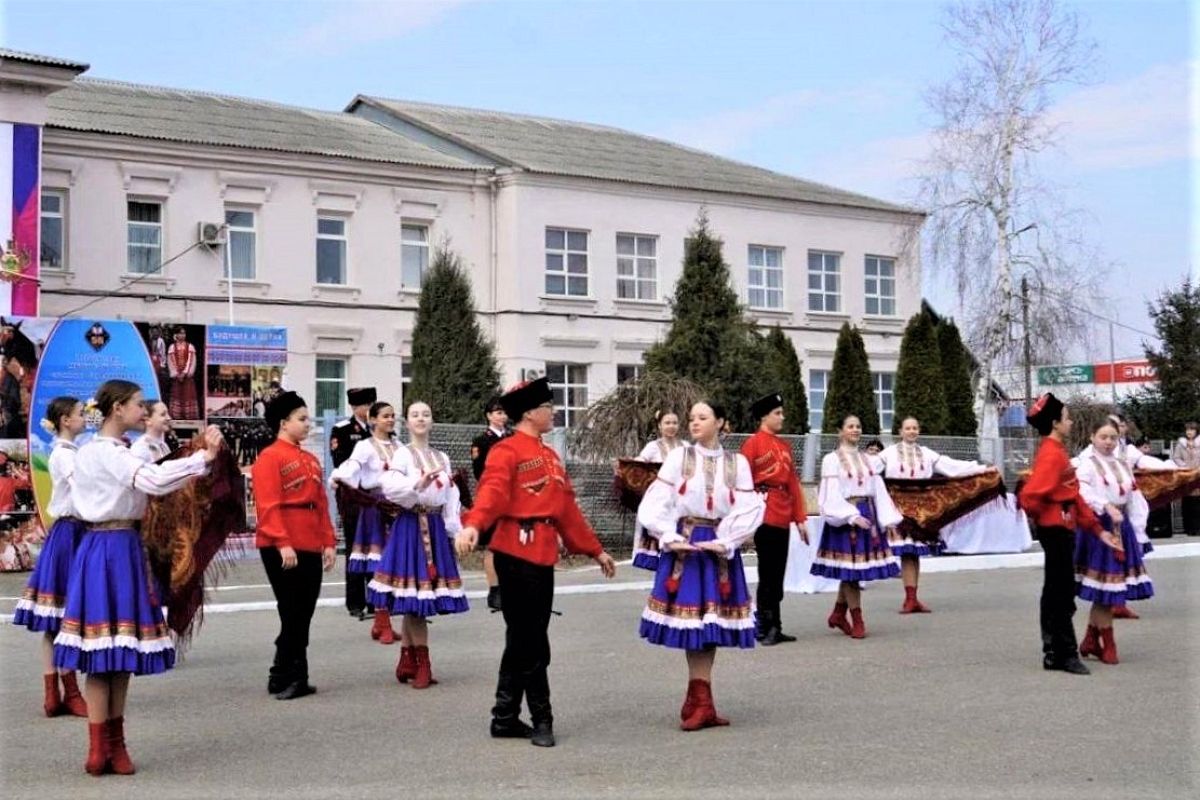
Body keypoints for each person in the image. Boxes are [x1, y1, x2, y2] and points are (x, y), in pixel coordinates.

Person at [53, 379, 222, 775]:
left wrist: (196, 458)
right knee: (103, 652)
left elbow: (152, 473)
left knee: (118, 650)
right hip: (109, 547)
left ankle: (112, 743)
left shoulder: (113, 451)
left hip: (118, 547)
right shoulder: (104, 452)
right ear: (117, 410)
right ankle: (102, 746)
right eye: (135, 405)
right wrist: (202, 459)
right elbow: (152, 480)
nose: (142, 412)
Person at [455, 377, 617, 748]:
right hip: (515, 554)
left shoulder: (549, 456)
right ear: (530, 413)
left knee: (522, 638)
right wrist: (473, 526)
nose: (554, 411)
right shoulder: (506, 451)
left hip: (542, 555)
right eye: (548, 405)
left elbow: (567, 512)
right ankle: (542, 718)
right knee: (532, 641)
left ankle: (505, 716)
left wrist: (596, 549)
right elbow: (492, 494)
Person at [639, 401, 763, 729]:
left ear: (721, 422)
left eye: (702, 417)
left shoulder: (738, 463)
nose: (694, 423)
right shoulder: (680, 456)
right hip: (688, 545)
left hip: (718, 548)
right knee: (694, 625)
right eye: (691, 418)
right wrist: (667, 534)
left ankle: (700, 699)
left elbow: (750, 507)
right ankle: (698, 699)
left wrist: (728, 539)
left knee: (710, 627)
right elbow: (657, 499)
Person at [367, 401, 468, 688]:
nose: (421, 419)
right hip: (411, 526)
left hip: (434, 528)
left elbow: (451, 497)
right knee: (416, 600)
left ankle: (406, 660)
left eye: (425, 414)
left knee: (415, 599)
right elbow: (390, 488)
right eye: (415, 415)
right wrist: (417, 485)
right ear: (407, 422)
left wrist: (455, 531)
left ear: (432, 421)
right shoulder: (402, 455)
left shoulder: (442, 457)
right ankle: (423, 664)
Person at [253, 391, 337, 701]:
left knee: (303, 612)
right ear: (283, 422)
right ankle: (295, 676)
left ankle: (280, 673)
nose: (307, 424)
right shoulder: (269, 457)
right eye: (301, 419)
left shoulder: (310, 460)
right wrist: (282, 543)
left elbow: (321, 503)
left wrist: (328, 541)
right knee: (293, 612)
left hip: (310, 541)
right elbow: (268, 506)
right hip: (282, 543)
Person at [12, 397, 89, 718]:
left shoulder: (65, 452)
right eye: (80, 414)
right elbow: (84, 488)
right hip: (72, 533)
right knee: (62, 615)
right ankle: (65, 691)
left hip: (69, 533)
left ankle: (56, 692)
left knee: (56, 618)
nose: (85, 417)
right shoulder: (63, 454)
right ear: (65, 421)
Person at [1018, 393, 1103, 676]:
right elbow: (1030, 495)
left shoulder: (1055, 450)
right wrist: (1045, 514)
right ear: (1055, 423)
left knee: (1055, 590)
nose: (1071, 421)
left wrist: (1095, 528)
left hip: (1061, 524)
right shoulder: (1051, 455)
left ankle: (1054, 651)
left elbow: (1073, 493)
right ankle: (1065, 653)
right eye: (1067, 417)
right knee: (1061, 592)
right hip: (1055, 527)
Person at [874, 416, 992, 613]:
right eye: (908, 428)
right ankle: (909, 598)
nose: (911, 431)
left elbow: (951, 466)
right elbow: (869, 469)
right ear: (900, 432)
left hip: (921, 510)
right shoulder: (889, 453)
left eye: (915, 428)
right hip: (900, 510)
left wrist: (981, 469)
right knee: (907, 553)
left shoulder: (926, 453)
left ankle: (913, 597)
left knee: (915, 553)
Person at [810, 414, 901, 639]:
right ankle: (857, 619)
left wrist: (888, 520)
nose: (855, 430)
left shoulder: (867, 458)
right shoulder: (832, 459)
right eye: (850, 426)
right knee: (851, 572)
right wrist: (850, 515)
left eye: (858, 426)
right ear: (840, 431)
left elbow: (878, 489)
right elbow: (829, 495)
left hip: (867, 515)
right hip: (846, 516)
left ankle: (839, 613)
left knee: (852, 571)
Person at [1073, 420, 1154, 665]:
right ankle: (1107, 644)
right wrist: (1105, 506)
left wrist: (1138, 531)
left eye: (1113, 438)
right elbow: (1082, 493)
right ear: (1092, 438)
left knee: (1107, 590)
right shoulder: (1085, 465)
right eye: (1103, 437)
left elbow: (1135, 499)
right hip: (1098, 528)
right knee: (1107, 588)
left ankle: (1091, 639)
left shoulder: (1122, 465)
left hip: (1122, 527)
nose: (1108, 442)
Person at [329, 400, 401, 643]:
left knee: (393, 564)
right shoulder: (364, 446)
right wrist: (338, 479)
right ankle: (382, 621)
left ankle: (383, 619)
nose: (390, 420)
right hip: (375, 508)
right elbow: (350, 468)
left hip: (396, 508)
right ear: (372, 420)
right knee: (379, 564)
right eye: (384, 416)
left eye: (392, 416)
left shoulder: (399, 446)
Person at [739, 392, 807, 644]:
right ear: (764, 416)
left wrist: (800, 519)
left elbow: (792, 484)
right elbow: (742, 484)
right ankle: (763, 626)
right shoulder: (752, 444)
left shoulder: (784, 447)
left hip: (782, 514)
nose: (782, 417)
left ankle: (774, 626)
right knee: (767, 572)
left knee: (777, 573)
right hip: (763, 513)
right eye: (777, 413)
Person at [330, 387, 375, 619]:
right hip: (353, 497)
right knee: (355, 548)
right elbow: (340, 461)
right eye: (364, 405)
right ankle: (355, 601)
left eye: (370, 404)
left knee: (376, 548)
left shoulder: (379, 430)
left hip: (375, 497)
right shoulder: (343, 430)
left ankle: (376, 600)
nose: (368, 409)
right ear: (354, 407)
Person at [630, 409, 684, 572]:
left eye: (674, 423)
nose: (671, 426)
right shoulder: (653, 447)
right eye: (667, 423)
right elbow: (639, 464)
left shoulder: (685, 447)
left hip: (680, 499)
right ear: (659, 426)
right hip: (661, 499)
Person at [471, 396, 510, 611]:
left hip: (512, 499)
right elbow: (479, 472)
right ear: (488, 416)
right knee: (493, 546)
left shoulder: (513, 436)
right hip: (492, 497)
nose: (502, 417)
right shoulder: (482, 440)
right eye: (497, 413)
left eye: (504, 413)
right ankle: (494, 590)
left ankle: (509, 587)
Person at [1171, 422, 1200, 535]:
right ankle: (1188, 528)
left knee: (1197, 502)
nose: (1189, 432)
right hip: (1186, 474)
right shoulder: (1181, 444)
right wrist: (1184, 466)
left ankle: (1198, 528)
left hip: (1198, 474)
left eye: (1192, 430)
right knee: (1187, 501)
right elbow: (1176, 457)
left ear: (1196, 431)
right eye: (1188, 430)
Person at [166, 328, 199, 420]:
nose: (182, 335)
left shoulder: (190, 346)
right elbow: (171, 361)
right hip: (177, 377)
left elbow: (191, 360)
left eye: (184, 333)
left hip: (187, 377)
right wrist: (176, 373)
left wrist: (185, 373)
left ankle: (189, 417)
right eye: (180, 333)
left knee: (188, 395)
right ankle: (176, 416)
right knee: (177, 395)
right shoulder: (172, 347)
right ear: (176, 335)